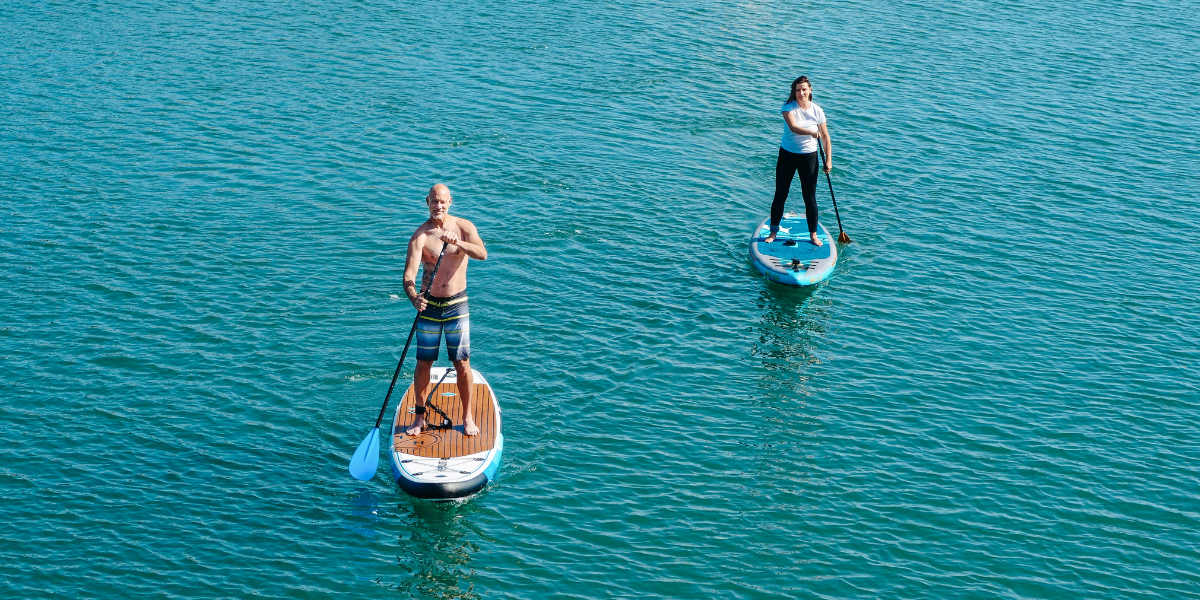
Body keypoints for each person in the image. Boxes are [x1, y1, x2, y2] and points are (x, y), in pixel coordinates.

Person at [403, 183, 487, 436]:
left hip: (456, 305)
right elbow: (409, 275)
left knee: (461, 362)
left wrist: (459, 243)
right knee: (423, 362)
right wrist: (413, 297)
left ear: (450, 202)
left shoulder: (464, 227)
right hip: (429, 306)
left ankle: (467, 417)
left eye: (442, 202)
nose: (438, 206)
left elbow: (482, 253)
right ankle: (419, 418)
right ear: (427, 202)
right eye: (434, 201)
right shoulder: (420, 236)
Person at [765, 76, 833, 246]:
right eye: (797, 90)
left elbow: (825, 136)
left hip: (809, 157)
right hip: (787, 155)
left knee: (809, 198)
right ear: (794, 92)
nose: (801, 93)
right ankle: (773, 232)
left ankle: (813, 235)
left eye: (804, 89)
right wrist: (811, 132)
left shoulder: (817, 110)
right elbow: (794, 127)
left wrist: (829, 160)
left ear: (810, 90)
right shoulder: (788, 107)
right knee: (781, 194)